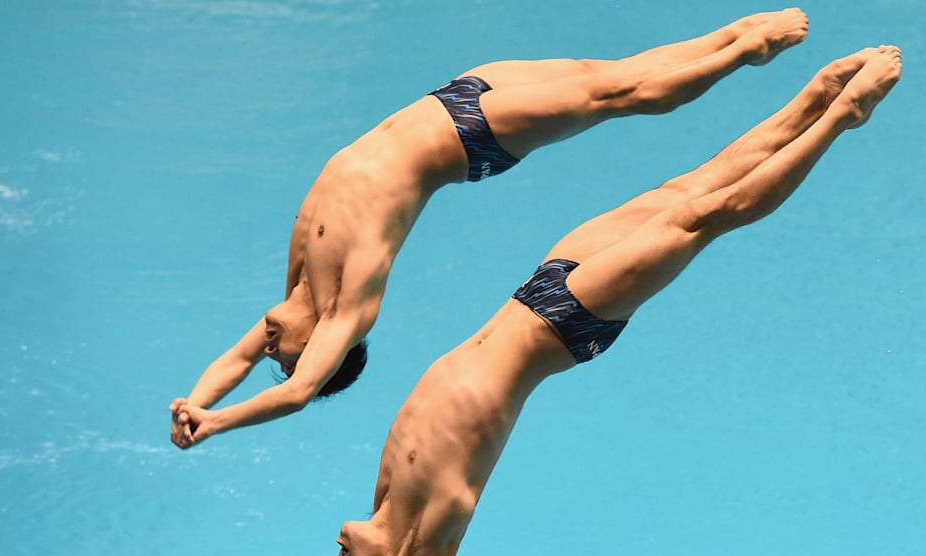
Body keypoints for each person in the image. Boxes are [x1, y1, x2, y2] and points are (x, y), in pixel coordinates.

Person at [287, 46, 903, 556]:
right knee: (705, 217)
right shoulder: (421, 545)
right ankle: (846, 115)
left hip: (538, 290)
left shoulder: (384, 502)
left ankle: (813, 98)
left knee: (690, 187)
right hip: (569, 324)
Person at [169, 10, 813, 448]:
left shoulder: (299, 295)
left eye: (271, 354)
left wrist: (195, 402)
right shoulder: (345, 310)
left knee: (605, 73)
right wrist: (220, 426)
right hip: (469, 138)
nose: (267, 349)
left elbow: (235, 358)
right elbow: (298, 394)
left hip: (452, 97)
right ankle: (744, 56)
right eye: (282, 355)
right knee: (618, 98)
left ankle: (730, 34)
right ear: (320, 349)